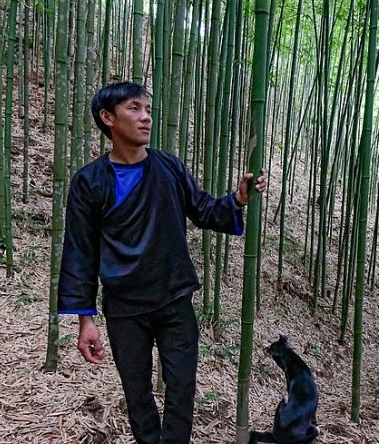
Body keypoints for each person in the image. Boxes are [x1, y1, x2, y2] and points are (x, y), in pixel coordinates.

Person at [58, 81, 266, 444]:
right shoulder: (89, 181)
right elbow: (80, 251)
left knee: (182, 389)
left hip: (174, 300)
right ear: (108, 118)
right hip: (125, 307)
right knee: (137, 394)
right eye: (134, 109)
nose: (146, 118)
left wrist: (236, 200)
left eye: (147, 109)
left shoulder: (167, 165)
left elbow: (202, 209)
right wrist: (85, 321)